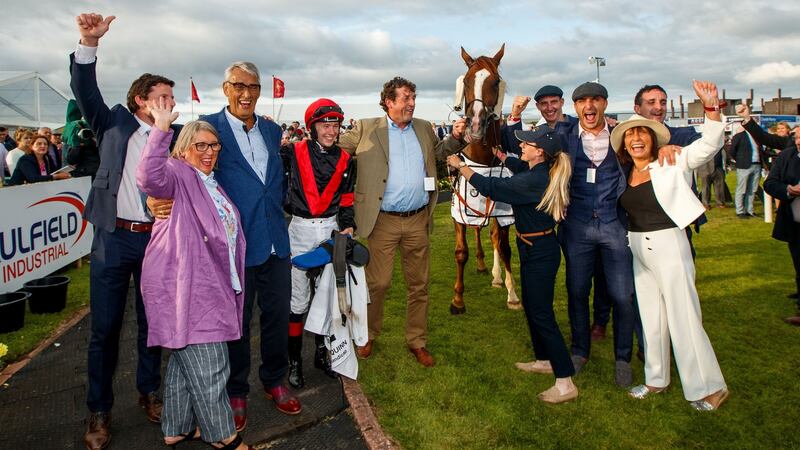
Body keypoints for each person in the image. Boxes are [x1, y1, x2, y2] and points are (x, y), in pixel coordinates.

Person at [71, 13, 178, 450]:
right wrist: (88, 43)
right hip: (113, 240)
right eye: (162, 97)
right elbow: (84, 89)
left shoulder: (173, 139)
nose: (170, 104)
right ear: (139, 100)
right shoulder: (112, 123)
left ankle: (149, 393)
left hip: (155, 241)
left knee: (153, 325)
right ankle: (99, 411)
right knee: (105, 328)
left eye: (172, 98)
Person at [136, 99, 253, 450]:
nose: (208, 152)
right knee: (210, 364)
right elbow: (148, 177)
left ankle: (177, 426)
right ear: (184, 149)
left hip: (207, 283)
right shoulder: (178, 173)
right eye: (200, 145)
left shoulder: (209, 182)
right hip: (186, 285)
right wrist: (160, 129)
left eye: (213, 145)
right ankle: (222, 435)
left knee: (183, 360)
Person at [611, 80, 728, 411]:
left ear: (653, 139)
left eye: (642, 135)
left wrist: (711, 108)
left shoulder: (672, 161)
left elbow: (709, 145)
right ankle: (655, 380)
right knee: (651, 318)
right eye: (630, 136)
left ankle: (710, 387)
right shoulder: (625, 173)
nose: (636, 140)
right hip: (638, 248)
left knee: (684, 317)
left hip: (670, 246)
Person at [338, 76, 465, 367]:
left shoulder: (422, 127)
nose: (411, 103)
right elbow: (334, 152)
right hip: (382, 221)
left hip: (418, 219)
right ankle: (368, 334)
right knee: (378, 283)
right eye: (405, 98)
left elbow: (437, 154)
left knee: (418, 284)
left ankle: (417, 341)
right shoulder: (366, 128)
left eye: (413, 98)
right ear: (389, 102)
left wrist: (455, 139)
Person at [446, 125, 577, 403]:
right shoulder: (538, 172)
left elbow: (493, 187)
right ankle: (544, 359)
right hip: (532, 247)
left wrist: (461, 167)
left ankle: (565, 381)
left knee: (542, 314)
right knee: (532, 306)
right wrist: (499, 155)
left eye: (526, 144)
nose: (521, 146)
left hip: (540, 251)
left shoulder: (534, 181)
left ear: (539, 152)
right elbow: (517, 166)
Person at [200, 61, 298, 431]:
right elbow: (181, 168)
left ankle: (274, 380)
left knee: (276, 318)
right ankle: (236, 389)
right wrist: (156, 199)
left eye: (253, 87)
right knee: (237, 324)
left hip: (276, 242)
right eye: (238, 86)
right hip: (234, 246)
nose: (246, 94)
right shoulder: (209, 128)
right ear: (225, 88)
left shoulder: (272, 132)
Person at [281, 98, 355, 388]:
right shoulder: (291, 153)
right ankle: (294, 361)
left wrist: (348, 225)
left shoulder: (348, 161)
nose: (331, 130)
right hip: (299, 230)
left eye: (335, 125)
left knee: (327, 299)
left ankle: (322, 356)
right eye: (325, 124)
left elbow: (347, 200)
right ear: (312, 126)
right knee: (298, 301)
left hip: (330, 230)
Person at [736, 103, 800, 323]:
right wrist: (788, 190)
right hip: (794, 220)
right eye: (796, 137)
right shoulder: (789, 153)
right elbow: (766, 139)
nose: (798, 140)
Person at [729, 123, 763, 218]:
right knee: (741, 189)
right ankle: (740, 211)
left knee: (752, 189)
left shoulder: (757, 137)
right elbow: (732, 150)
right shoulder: (739, 136)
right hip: (744, 166)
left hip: (757, 165)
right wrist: (739, 159)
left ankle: (749, 210)